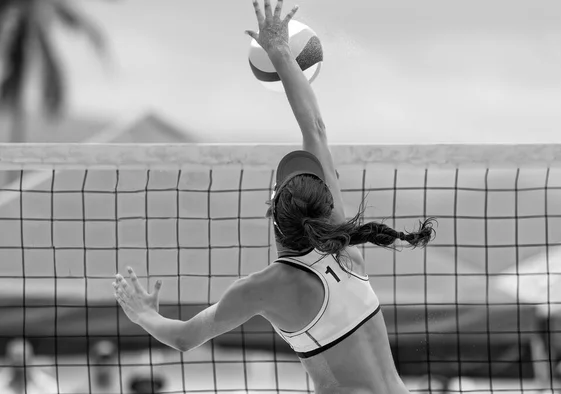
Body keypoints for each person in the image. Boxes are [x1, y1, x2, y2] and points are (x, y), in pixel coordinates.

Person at [112, 1, 435, 393]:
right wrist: (282, 52)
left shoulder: (264, 287)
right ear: (326, 207)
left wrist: (144, 314)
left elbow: (183, 338)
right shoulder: (345, 248)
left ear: (273, 214)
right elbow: (315, 127)